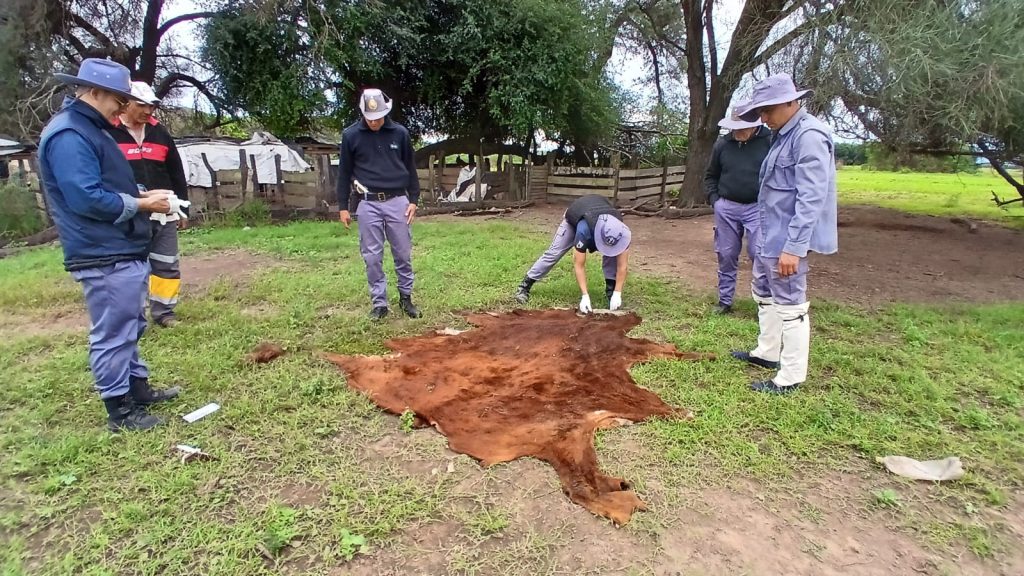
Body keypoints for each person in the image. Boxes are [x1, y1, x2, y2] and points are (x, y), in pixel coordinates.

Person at [38, 58, 181, 431]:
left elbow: (106, 184)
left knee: (129, 323)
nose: (122, 105)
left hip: (119, 246)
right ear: (94, 92)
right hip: (101, 249)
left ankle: (137, 388)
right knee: (114, 331)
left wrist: (141, 192)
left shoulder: (92, 129)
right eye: (117, 98)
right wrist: (142, 204)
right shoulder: (70, 135)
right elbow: (85, 197)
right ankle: (120, 410)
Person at [730, 73, 838, 395]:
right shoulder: (783, 134)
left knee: (790, 302)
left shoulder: (809, 136)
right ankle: (767, 352)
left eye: (769, 110)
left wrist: (794, 247)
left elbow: (811, 198)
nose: (764, 118)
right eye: (760, 111)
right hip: (769, 233)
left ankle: (790, 375)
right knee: (764, 293)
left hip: (788, 239)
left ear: (792, 102)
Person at [107, 81, 190, 328]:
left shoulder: (160, 133)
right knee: (132, 266)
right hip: (130, 213)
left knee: (167, 262)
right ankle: (134, 316)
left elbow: (176, 172)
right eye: (142, 105)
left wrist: (182, 208)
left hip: (165, 211)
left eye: (152, 106)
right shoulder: (108, 134)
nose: (149, 111)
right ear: (125, 104)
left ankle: (165, 313)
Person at [337, 88, 422, 321]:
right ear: (363, 113)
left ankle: (406, 297)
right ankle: (380, 303)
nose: (374, 122)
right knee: (372, 256)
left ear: (386, 111)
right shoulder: (351, 135)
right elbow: (343, 172)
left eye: (378, 117)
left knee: (403, 253)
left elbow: (410, 168)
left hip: (397, 201)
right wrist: (343, 206)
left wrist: (413, 199)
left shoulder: (400, 133)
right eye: (370, 118)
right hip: (368, 203)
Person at [704, 103, 772, 315]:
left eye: (742, 127)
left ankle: (765, 304)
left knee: (759, 253)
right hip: (727, 207)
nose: (738, 131)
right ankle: (725, 301)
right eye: (735, 127)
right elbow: (710, 176)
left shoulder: (770, 141)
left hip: (758, 208)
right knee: (726, 254)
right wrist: (715, 200)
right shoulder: (722, 145)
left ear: (754, 125)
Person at [514, 194, 632, 313]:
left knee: (612, 255)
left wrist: (618, 293)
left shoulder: (620, 232)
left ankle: (611, 292)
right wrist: (585, 296)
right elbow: (579, 265)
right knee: (554, 253)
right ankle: (525, 285)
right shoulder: (583, 230)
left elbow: (622, 266)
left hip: (598, 213)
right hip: (577, 217)